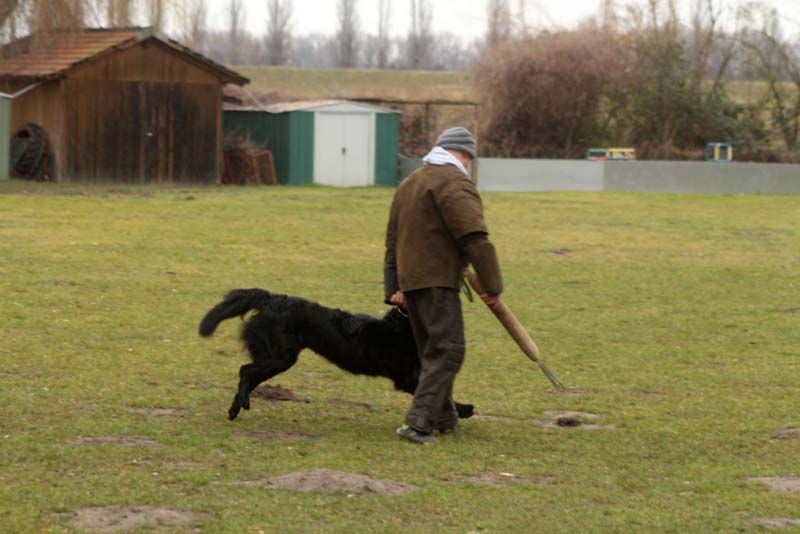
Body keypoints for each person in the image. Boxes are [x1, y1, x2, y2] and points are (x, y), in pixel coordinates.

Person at [383, 126, 503, 444]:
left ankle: (443, 416)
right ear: (465, 155)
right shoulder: (454, 183)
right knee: (448, 351)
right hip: (437, 281)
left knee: (431, 351)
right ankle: (418, 423)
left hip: (411, 282)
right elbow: (475, 238)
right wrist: (492, 286)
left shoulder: (409, 182)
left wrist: (394, 287)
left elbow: (392, 241)